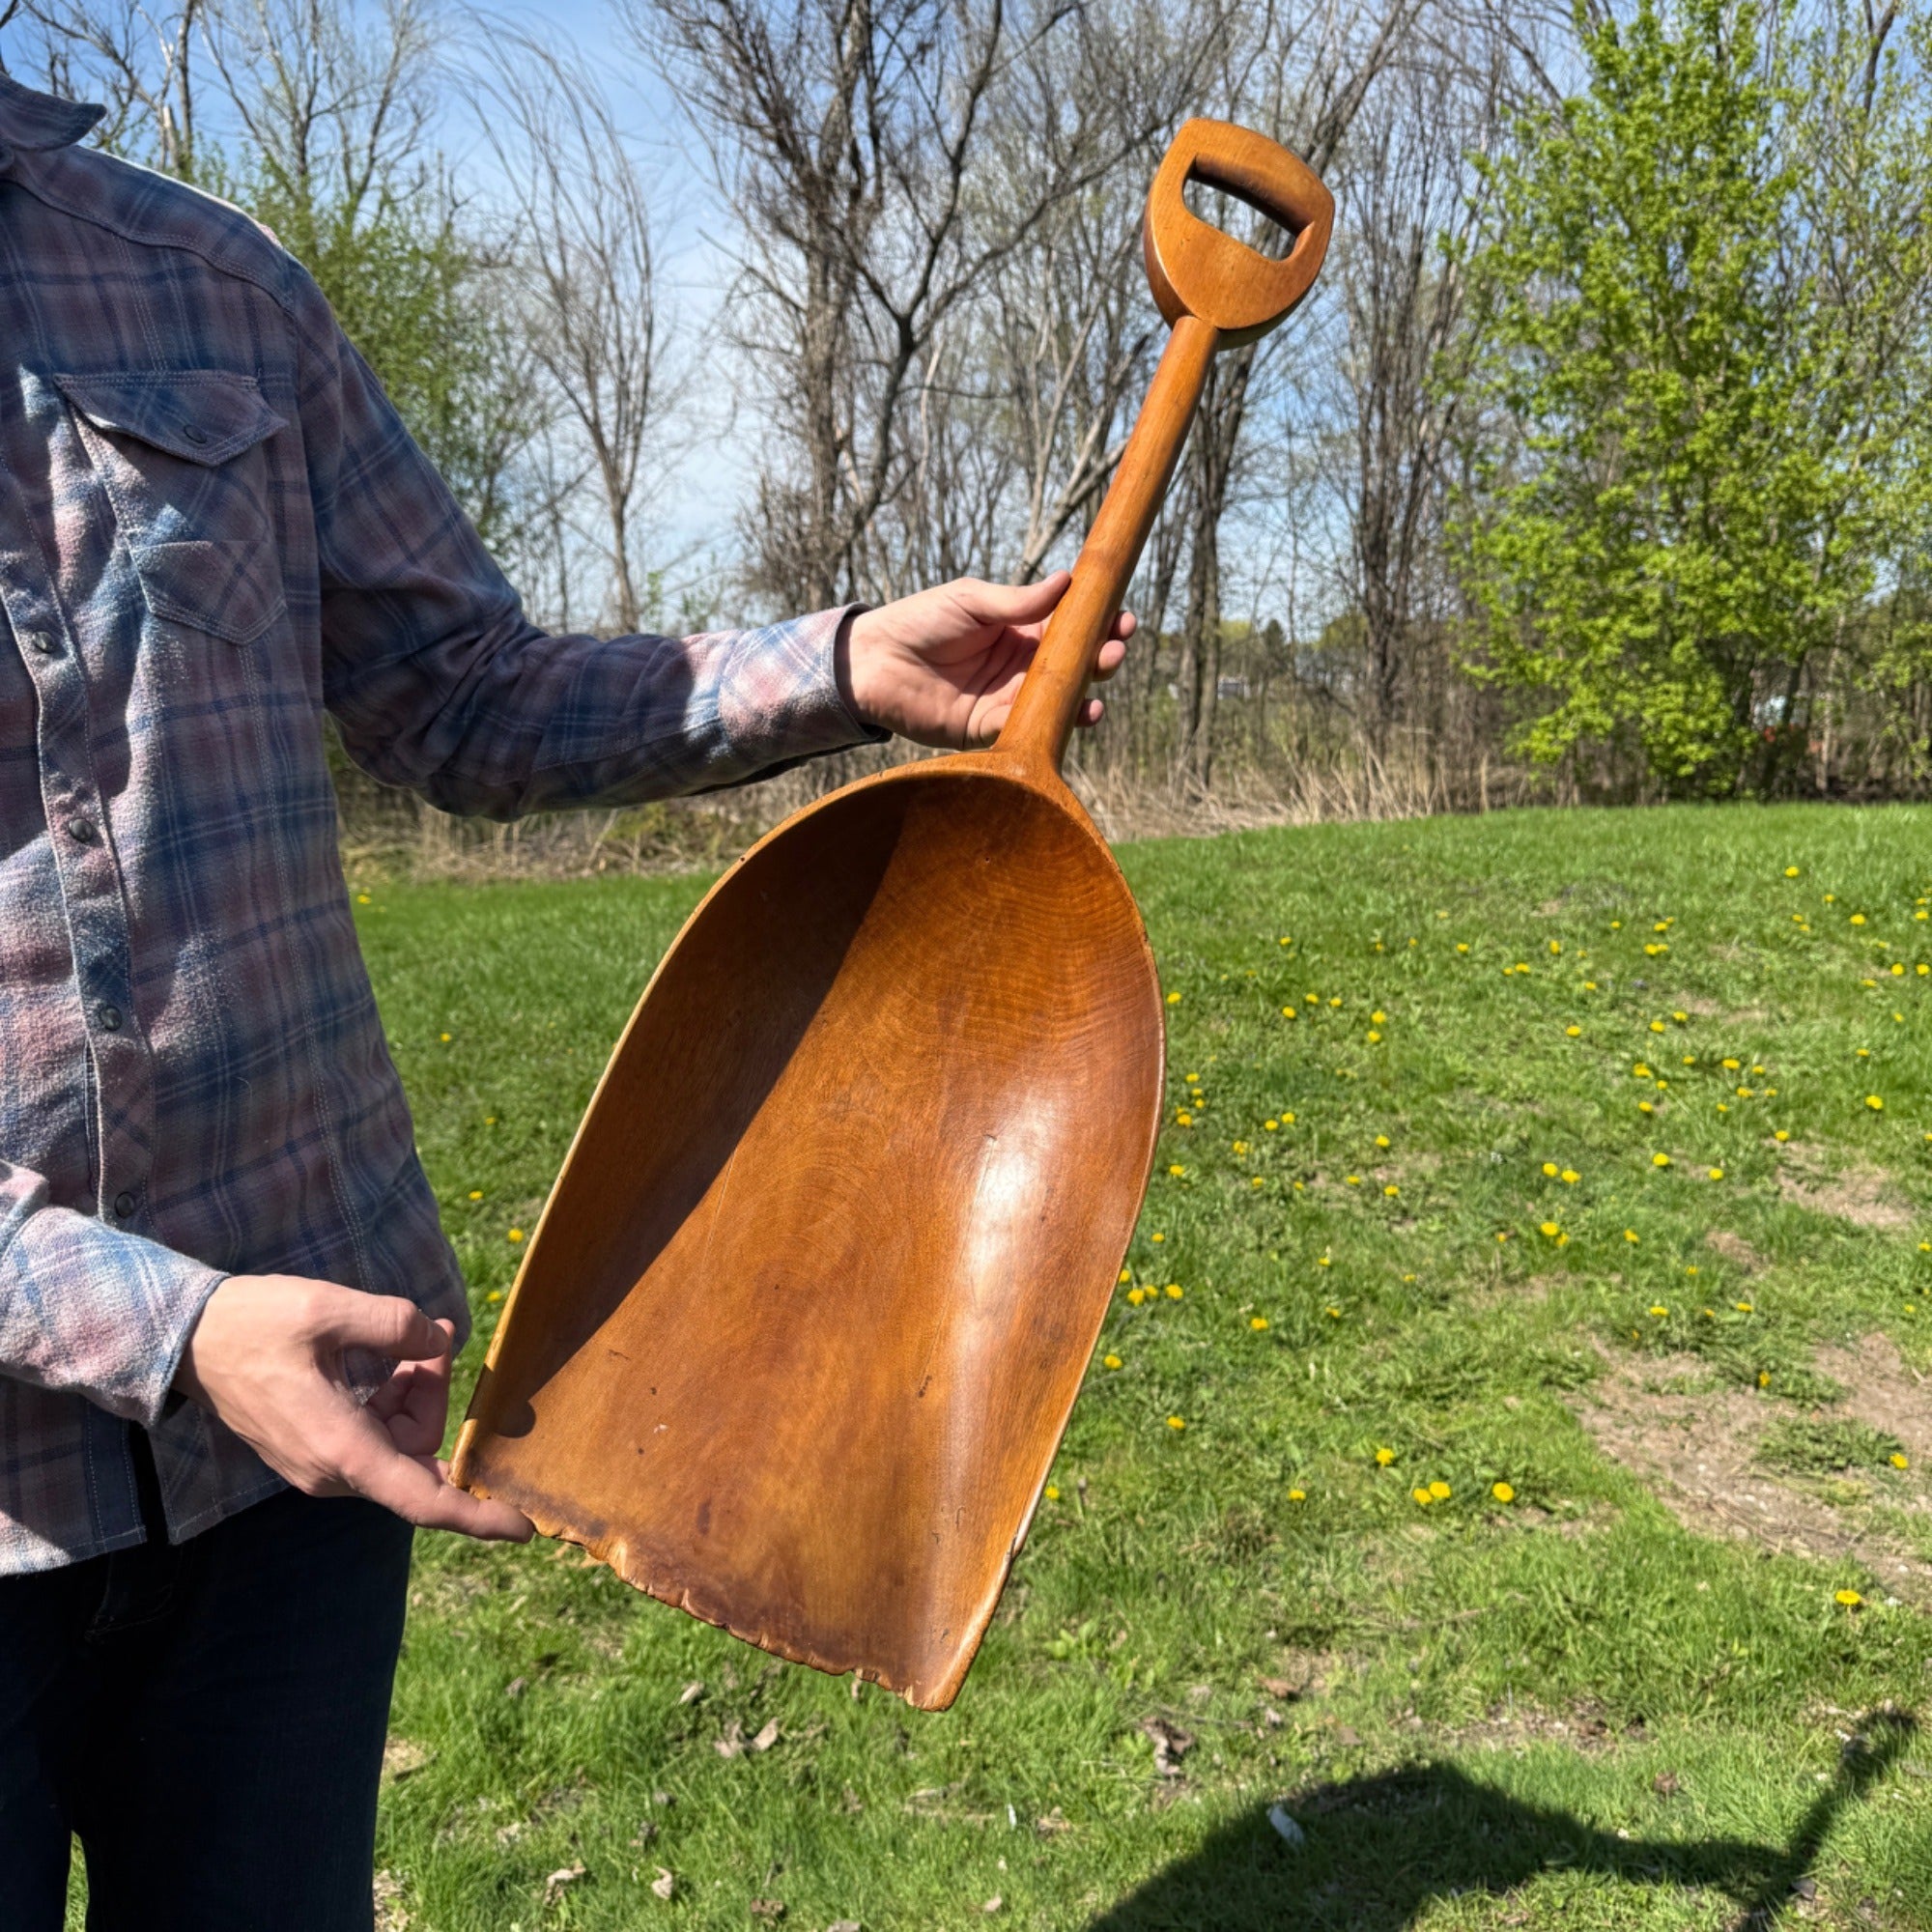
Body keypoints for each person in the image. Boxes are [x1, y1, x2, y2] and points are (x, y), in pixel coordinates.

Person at [0, 70, 1131, 1930]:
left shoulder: (208, 287)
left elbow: (461, 690)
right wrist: (177, 1328)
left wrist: (839, 664)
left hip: (306, 1456)